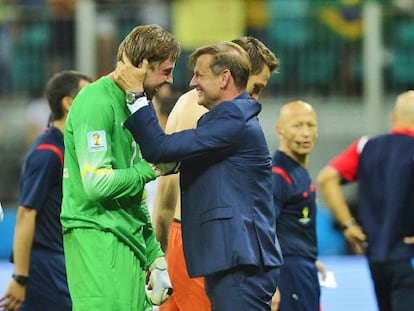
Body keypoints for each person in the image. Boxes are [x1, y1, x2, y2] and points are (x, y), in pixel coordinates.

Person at [116, 41, 283, 310]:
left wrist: (137, 96)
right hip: (226, 255)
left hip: (236, 259)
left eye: (199, 75)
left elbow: (160, 149)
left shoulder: (233, 118)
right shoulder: (223, 117)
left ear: (225, 77)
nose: (193, 83)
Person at [60, 24, 180, 311]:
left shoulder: (134, 106)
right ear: (141, 65)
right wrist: (151, 169)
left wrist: (154, 255)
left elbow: (133, 191)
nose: (170, 80)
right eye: (165, 71)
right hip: (97, 240)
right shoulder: (95, 101)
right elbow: (96, 184)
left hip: (128, 244)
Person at [0, 70, 93, 311]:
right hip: (45, 264)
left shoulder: (69, 148)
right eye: (88, 95)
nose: (95, 103)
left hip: (63, 260)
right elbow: (25, 214)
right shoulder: (48, 153)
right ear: (69, 104)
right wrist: (20, 278)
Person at [317, 90, 414, 311]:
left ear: (393, 117)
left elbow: (327, 178)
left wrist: (349, 225)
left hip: (375, 257)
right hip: (408, 256)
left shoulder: (366, 147)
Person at [272, 100, 326, 311]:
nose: (305, 133)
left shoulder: (298, 171)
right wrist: (272, 283)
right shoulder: (277, 175)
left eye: (310, 125)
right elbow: (264, 231)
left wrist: (310, 259)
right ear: (280, 131)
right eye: (297, 126)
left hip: (302, 266)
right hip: (287, 272)